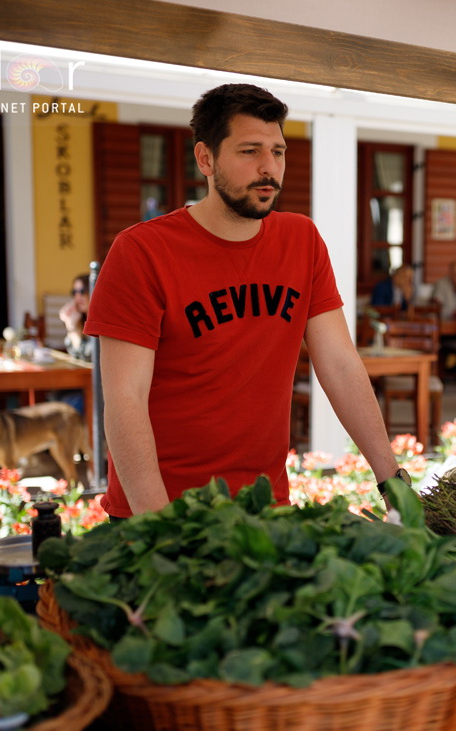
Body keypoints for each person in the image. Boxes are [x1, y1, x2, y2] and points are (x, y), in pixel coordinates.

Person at [84, 83, 405, 519]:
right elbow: (125, 399)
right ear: (205, 159)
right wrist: (158, 528)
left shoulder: (302, 240)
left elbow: (340, 365)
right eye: (250, 151)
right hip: (163, 511)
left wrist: (392, 481)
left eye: (278, 151)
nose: (269, 167)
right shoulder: (141, 251)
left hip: (264, 507)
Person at [59, 273, 93, 362]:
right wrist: (70, 325)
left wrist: (73, 330)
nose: (78, 297)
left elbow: (90, 357)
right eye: (74, 292)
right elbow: (74, 355)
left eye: (82, 291)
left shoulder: (99, 321)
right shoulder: (80, 319)